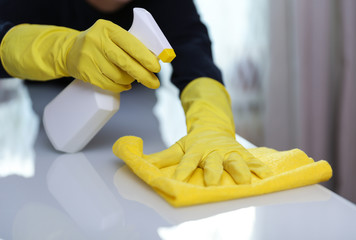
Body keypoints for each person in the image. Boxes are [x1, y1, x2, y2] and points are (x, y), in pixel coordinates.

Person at [0, 0, 272, 186]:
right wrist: (59, 50)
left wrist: (213, 125)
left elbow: (193, 49)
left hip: (135, 119)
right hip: (38, 121)